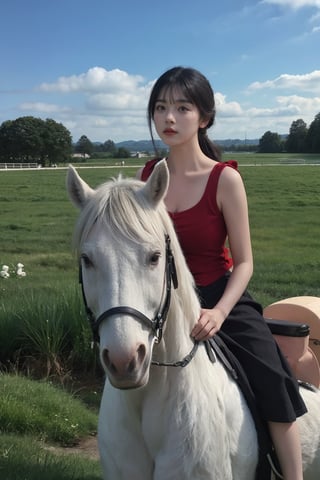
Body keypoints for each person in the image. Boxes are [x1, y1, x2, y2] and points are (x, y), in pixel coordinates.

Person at [137, 66, 307, 480]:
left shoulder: (224, 178)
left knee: (271, 377)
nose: (169, 118)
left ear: (205, 117)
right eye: (161, 108)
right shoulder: (148, 176)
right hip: (164, 305)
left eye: (182, 107)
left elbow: (244, 261)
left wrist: (219, 313)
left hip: (218, 297)